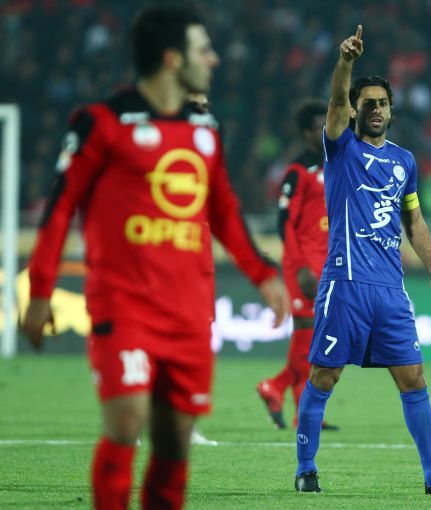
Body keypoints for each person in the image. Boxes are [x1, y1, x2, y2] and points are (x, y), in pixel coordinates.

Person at [21, 7, 288, 509]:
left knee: (173, 442)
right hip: (124, 305)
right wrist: (40, 291)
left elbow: (223, 209)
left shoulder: (204, 127)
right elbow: (59, 211)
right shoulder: (102, 123)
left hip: (187, 312)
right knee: (125, 424)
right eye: (203, 49)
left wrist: (263, 274)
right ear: (172, 59)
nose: (214, 59)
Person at [293, 25, 431, 496]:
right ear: (355, 110)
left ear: (392, 111)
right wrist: (345, 62)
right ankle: (306, 469)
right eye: (368, 103)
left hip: (390, 291)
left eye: (383, 103)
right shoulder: (341, 149)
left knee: (414, 378)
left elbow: (413, 220)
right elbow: (335, 102)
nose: (376, 109)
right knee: (324, 375)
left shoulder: (404, 161)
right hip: (345, 284)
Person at [256, 98, 338, 431]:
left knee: (317, 340)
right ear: (306, 133)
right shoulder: (297, 171)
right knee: (308, 334)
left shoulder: (336, 165)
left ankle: (296, 405)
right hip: (304, 265)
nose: (327, 130)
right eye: (320, 126)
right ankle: (280, 392)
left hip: (330, 263)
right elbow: (284, 222)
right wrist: (300, 266)